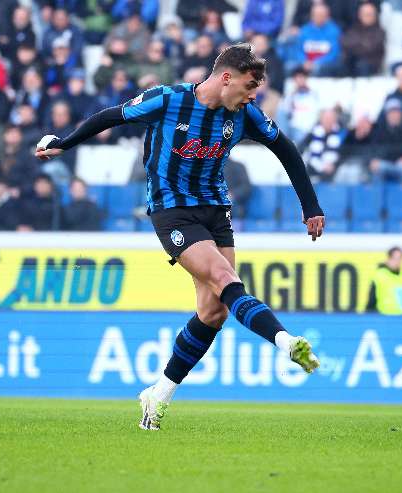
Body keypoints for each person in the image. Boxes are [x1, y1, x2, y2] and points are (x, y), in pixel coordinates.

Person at [35, 43, 325, 431]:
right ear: (226, 78)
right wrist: (64, 143)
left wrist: (310, 206)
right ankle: (285, 342)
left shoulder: (245, 115)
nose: (252, 96)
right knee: (225, 279)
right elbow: (112, 116)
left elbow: (286, 150)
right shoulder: (168, 99)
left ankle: (158, 394)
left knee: (214, 312)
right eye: (249, 87)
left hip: (215, 210)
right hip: (173, 210)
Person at [365, 246, 402, 315]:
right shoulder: (379, 276)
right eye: (394, 258)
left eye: (399, 258)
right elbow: (371, 300)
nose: (397, 262)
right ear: (388, 259)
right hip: (388, 318)